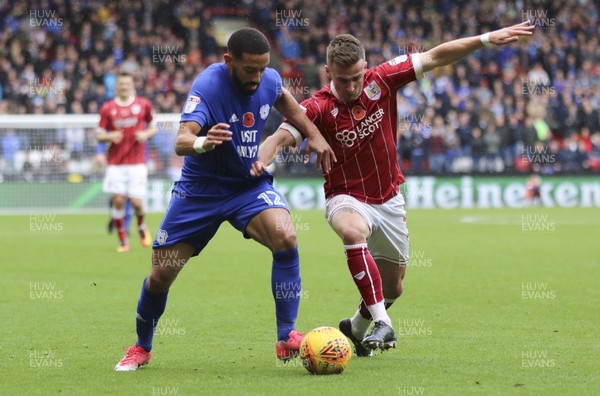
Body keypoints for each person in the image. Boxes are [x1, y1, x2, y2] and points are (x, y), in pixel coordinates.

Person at [256, 21, 534, 356]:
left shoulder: (383, 78)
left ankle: (355, 328)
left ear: (365, 66)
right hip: (346, 196)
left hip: (389, 198)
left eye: (357, 76)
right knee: (351, 231)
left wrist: (486, 38)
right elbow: (280, 136)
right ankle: (383, 324)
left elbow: (435, 56)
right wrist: (260, 161)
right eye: (343, 80)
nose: (352, 86)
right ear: (328, 71)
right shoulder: (317, 106)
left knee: (395, 286)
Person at [114, 27, 335, 371]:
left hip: (247, 185)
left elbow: (295, 112)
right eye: (250, 69)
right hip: (199, 192)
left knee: (286, 236)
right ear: (228, 60)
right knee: (161, 276)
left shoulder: (270, 79)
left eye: (262, 68)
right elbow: (181, 140)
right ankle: (142, 347)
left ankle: (285, 335)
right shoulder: (208, 86)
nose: (257, 77)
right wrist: (204, 141)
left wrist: (316, 137)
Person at [96, 72, 157, 253]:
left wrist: (145, 134)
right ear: (116, 87)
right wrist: (109, 136)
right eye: (121, 84)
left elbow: (154, 126)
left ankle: (141, 226)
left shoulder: (143, 105)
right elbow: (99, 135)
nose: (124, 87)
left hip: (137, 162)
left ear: (132, 86)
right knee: (119, 201)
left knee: (137, 203)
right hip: (115, 163)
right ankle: (123, 239)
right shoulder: (108, 108)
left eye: (127, 84)